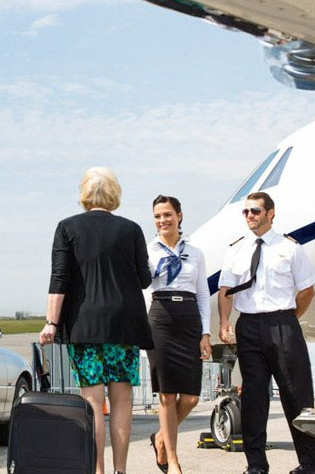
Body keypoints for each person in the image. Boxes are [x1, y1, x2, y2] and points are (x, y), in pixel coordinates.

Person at [39, 167, 153, 474]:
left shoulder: (66, 227)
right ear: (114, 193)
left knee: (92, 403)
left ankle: (97, 470)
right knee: (122, 400)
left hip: (84, 326)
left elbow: (60, 277)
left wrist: (51, 322)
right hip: (124, 326)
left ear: (84, 194)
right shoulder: (132, 230)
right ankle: (121, 471)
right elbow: (145, 279)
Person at [218, 191, 315, 474]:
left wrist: (289, 319)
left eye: (255, 211)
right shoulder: (236, 250)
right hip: (249, 327)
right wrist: (224, 320)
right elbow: (226, 291)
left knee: (297, 395)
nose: (250, 216)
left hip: (282, 324)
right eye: (246, 212)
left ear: (270, 213)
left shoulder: (290, 248)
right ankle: (256, 465)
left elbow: (307, 290)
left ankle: (312, 464)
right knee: (253, 397)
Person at [146, 195, 211, 474]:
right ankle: (172, 460)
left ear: (180, 216)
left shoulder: (196, 253)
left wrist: (205, 332)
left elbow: (203, 294)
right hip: (160, 318)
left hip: (189, 320)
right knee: (167, 396)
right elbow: (143, 288)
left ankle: (161, 437)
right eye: (158, 216)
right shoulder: (148, 251)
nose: (163, 221)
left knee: (191, 398)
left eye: (168, 215)